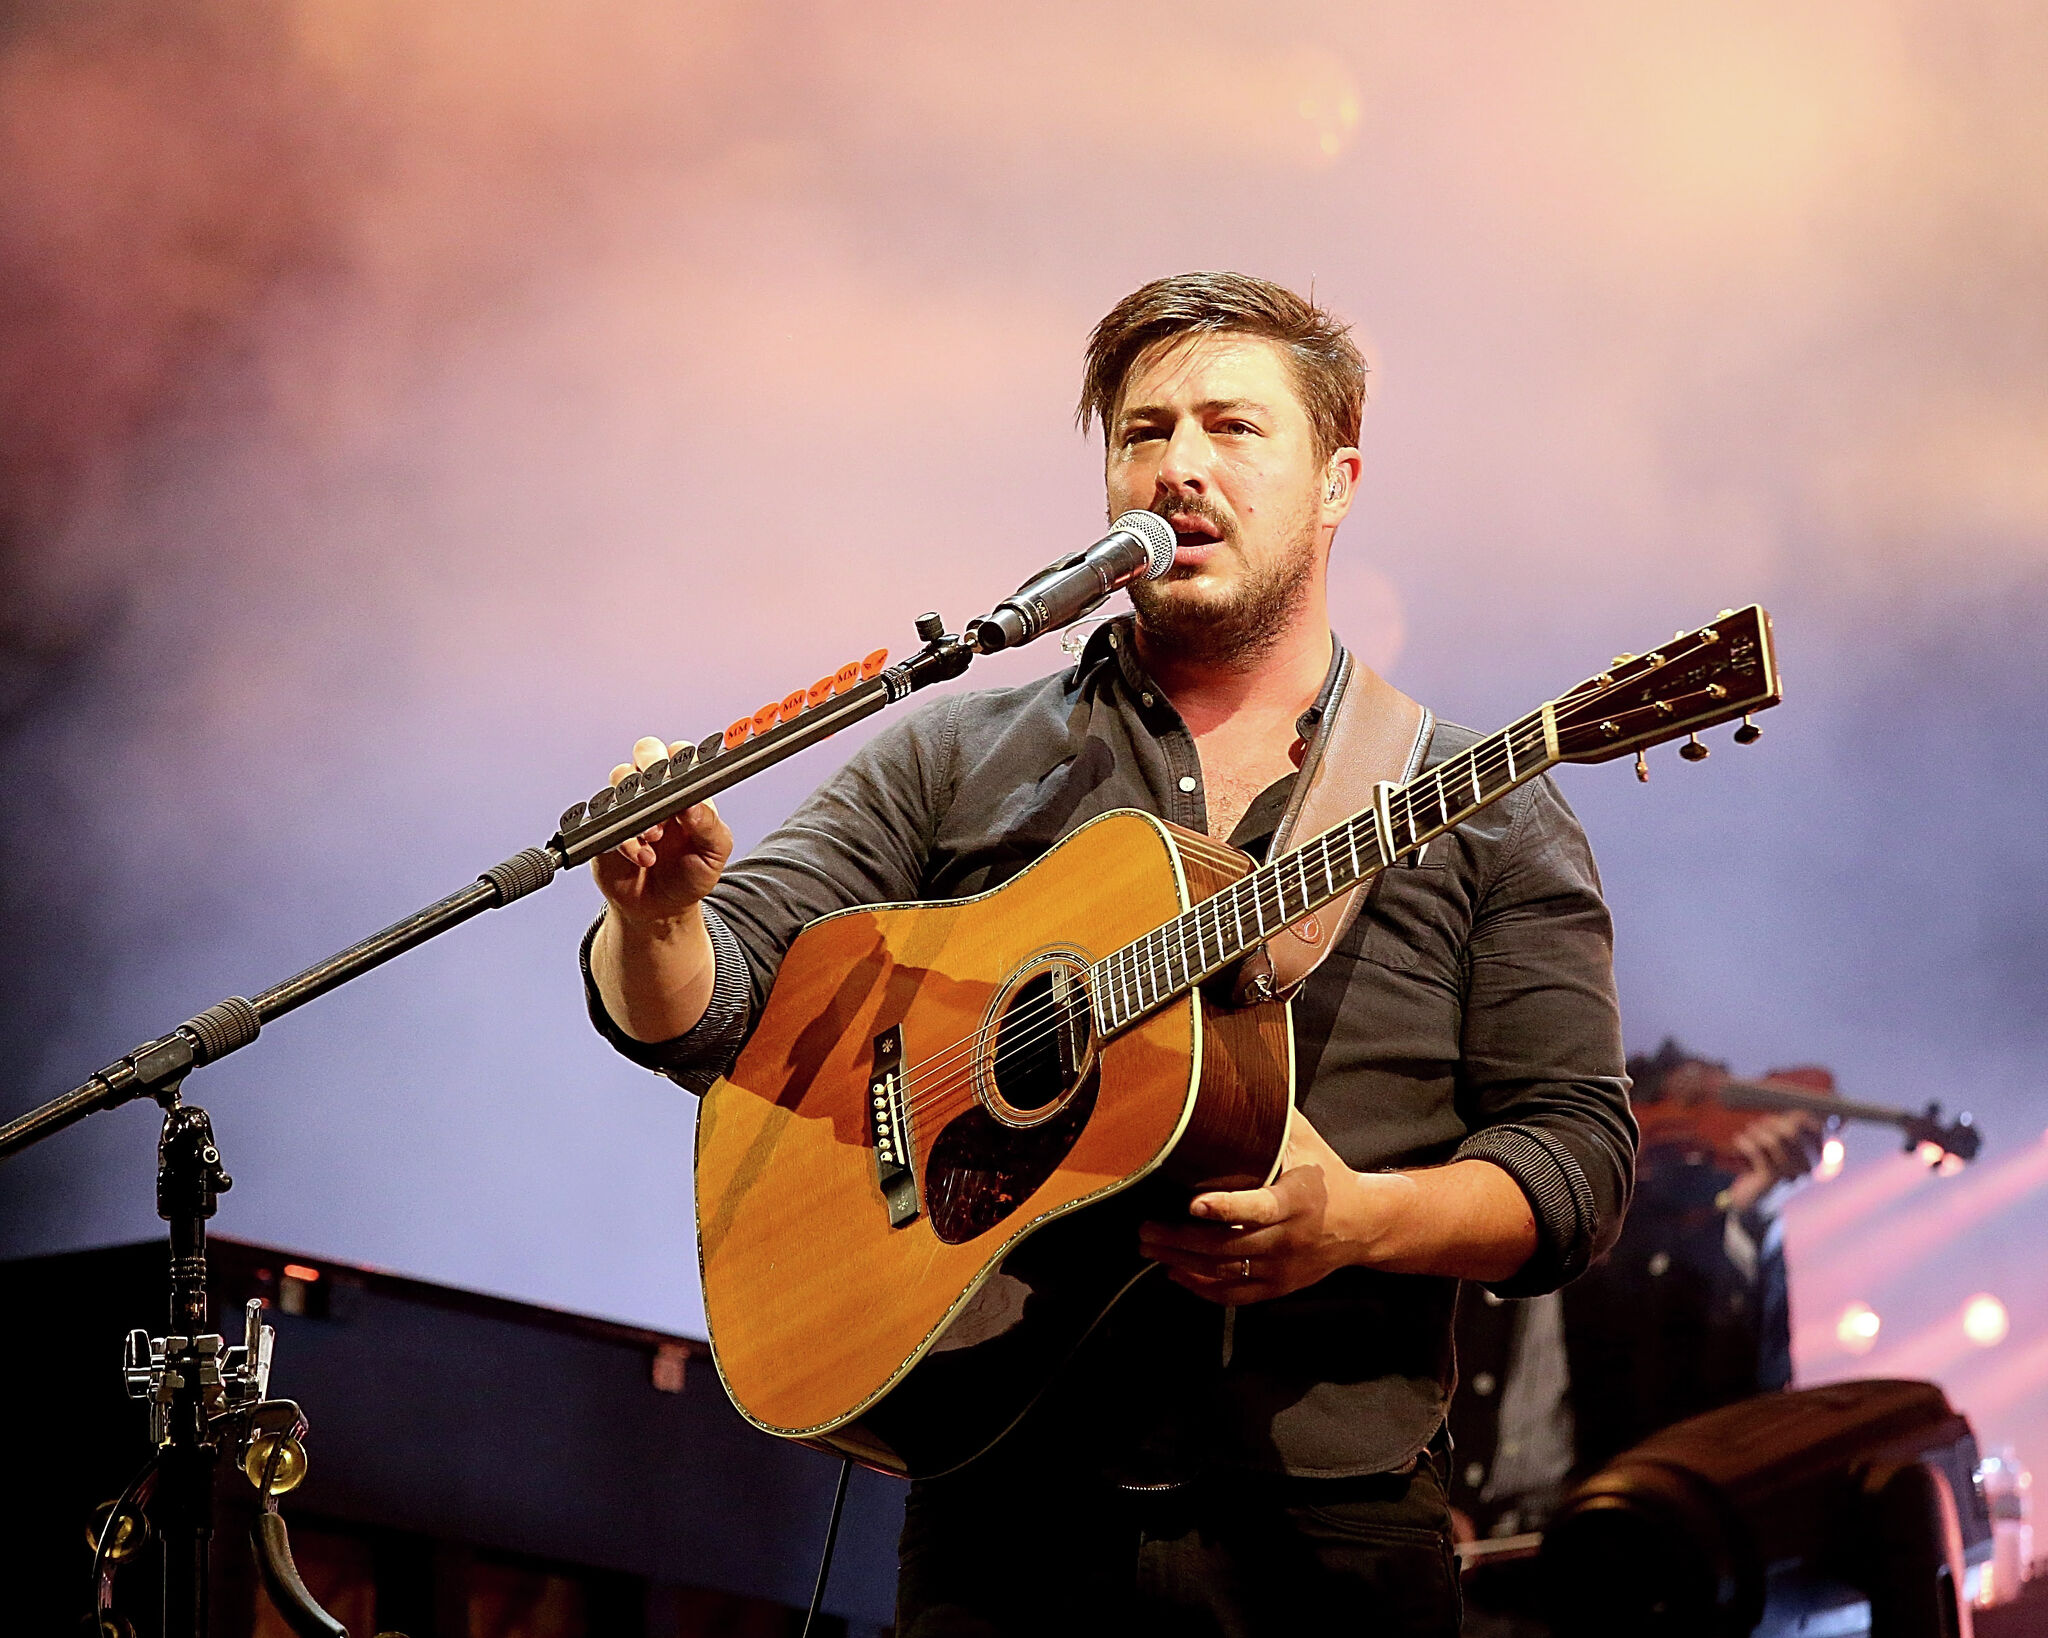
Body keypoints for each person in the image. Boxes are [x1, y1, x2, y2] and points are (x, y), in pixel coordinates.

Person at [581, 272, 1638, 1637]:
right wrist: (655, 918)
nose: (1179, 466)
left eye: (1232, 427)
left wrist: (1359, 1221)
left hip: (1325, 1542)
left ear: (1336, 479)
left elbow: (1578, 1161)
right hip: (998, 1519)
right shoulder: (954, 752)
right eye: (1143, 433)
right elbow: (722, 1006)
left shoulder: (1482, 799)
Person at [1451, 1041, 1823, 1637]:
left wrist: (1756, 1217)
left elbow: (1744, 1409)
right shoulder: (1461, 1209)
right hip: (1450, 1585)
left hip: (1595, 1582)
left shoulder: (1655, 1245)